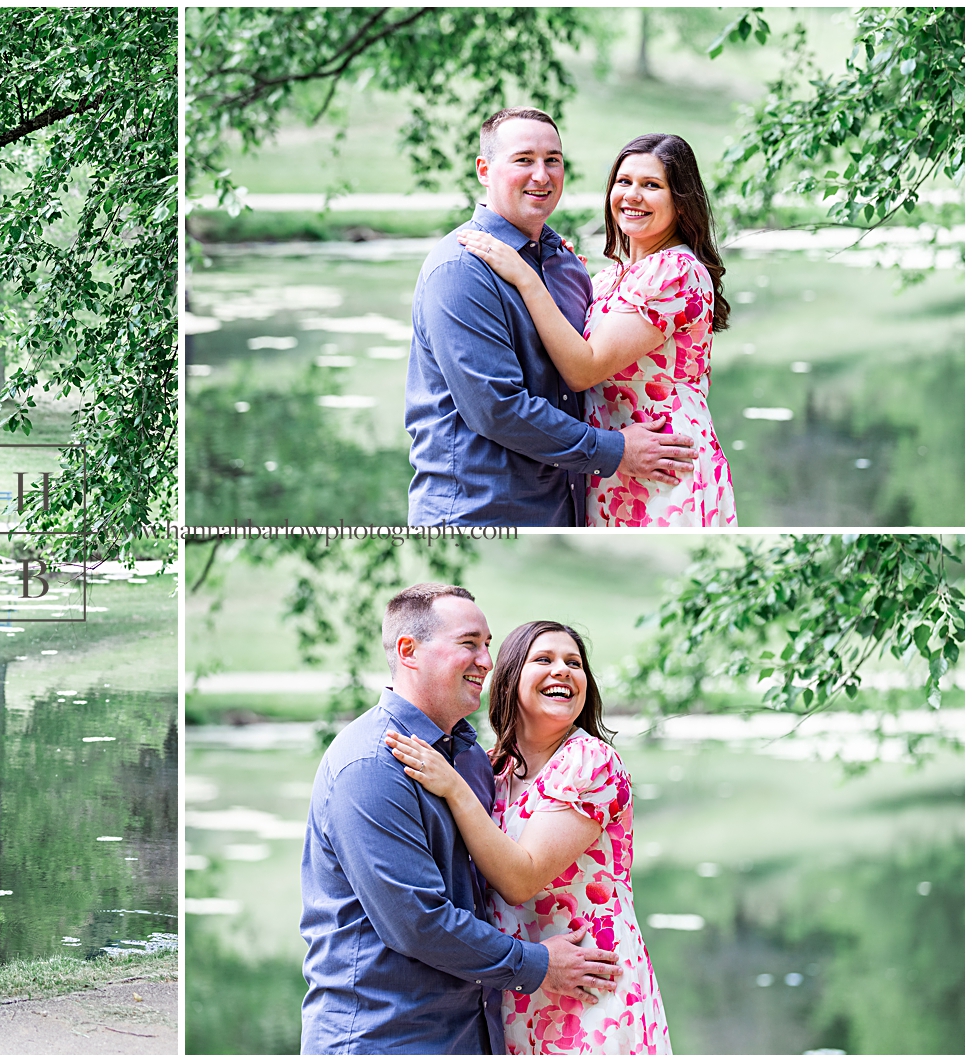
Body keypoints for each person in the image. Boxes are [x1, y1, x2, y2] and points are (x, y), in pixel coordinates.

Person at [300, 584, 623, 1054]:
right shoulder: (372, 764)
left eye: (488, 645)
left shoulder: (472, 758)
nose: (486, 660)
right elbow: (416, 922)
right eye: (469, 643)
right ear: (409, 651)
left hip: (473, 1032)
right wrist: (536, 964)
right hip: (384, 1037)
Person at [385, 621, 671, 1053]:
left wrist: (453, 787)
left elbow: (521, 879)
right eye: (544, 660)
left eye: (574, 663)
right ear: (511, 677)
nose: (563, 671)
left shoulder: (590, 762)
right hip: (520, 991)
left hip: (591, 990)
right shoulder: (493, 769)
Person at [406, 107, 699, 527]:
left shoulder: (566, 265)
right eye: (524, 160)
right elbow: (496, 408)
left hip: (571, 509)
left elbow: (588, 367)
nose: (541, 175)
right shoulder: (461, 269)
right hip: (478, 513)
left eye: (553, 160)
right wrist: (614, 451)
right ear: (484, 170)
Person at [460, 133, 736, 526]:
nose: (633, 196)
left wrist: (525, 276)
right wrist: (556, 270)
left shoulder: (675, 271)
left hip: (661, 461)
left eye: (652, 186)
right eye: (624, 182)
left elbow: (583, 369)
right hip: (615, 461)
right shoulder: (610, 277)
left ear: (680, 200)